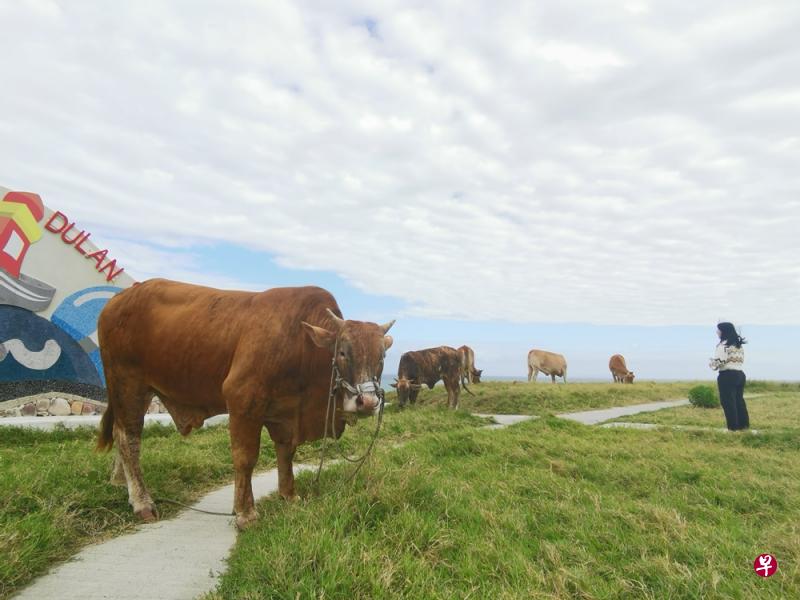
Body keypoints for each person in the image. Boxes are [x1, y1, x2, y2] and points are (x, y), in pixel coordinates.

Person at [709, 322, 749, 431]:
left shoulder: (723, 345)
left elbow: (719, 363)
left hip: (727, 375)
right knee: (739, 401)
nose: (717, 332)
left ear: (723, 331)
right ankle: (744, 427)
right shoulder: (738, 345)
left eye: (718, 330)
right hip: (740, 374)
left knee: (728, 402)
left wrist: (711, 363)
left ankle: (733, 428)